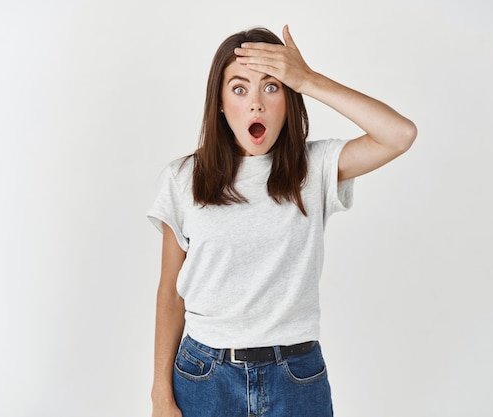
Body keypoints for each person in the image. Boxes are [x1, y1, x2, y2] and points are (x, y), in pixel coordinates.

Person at [147, 25, 416, 417]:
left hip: (295, 378)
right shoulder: (184, 178)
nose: (255, 104)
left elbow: (400, 134)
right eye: (239, 89)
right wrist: (160, 394)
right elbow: (170, 292)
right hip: (204, 376)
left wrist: (307, 79)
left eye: (271, 87)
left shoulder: (315, 168)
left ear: (290, 99)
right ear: (220, 103)